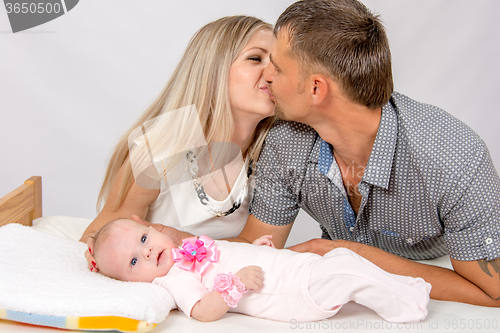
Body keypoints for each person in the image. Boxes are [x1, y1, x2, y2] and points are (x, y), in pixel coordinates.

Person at [235, 0, 500, 307]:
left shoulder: (453, 155)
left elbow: (494, 291)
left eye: (277, 68)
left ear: (316, 89)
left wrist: (351, 256)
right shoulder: (285, 141)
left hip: (439, 280)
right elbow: (253, 249)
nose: (265, 75)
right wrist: (175, 243)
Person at [80, 16, 276, 251]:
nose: (273, 72)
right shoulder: (156, 155)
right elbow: (94, 241)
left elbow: (263, 251)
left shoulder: (278, 154)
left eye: (278, 62)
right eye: (256, 58)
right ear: (212, 70)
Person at [88, 218, 431, 323]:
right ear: (131, 282)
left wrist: (257, 250)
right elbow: (203, 311)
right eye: (135, 262)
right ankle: (406, 306)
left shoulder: (184, 250)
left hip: (289, 268)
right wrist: (234, 286)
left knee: (345, 259)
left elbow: (227, 253)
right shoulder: (174, 278)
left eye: (144, 237)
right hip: (291, 292)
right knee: (345, 271)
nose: (147, 250)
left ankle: (403, 285)